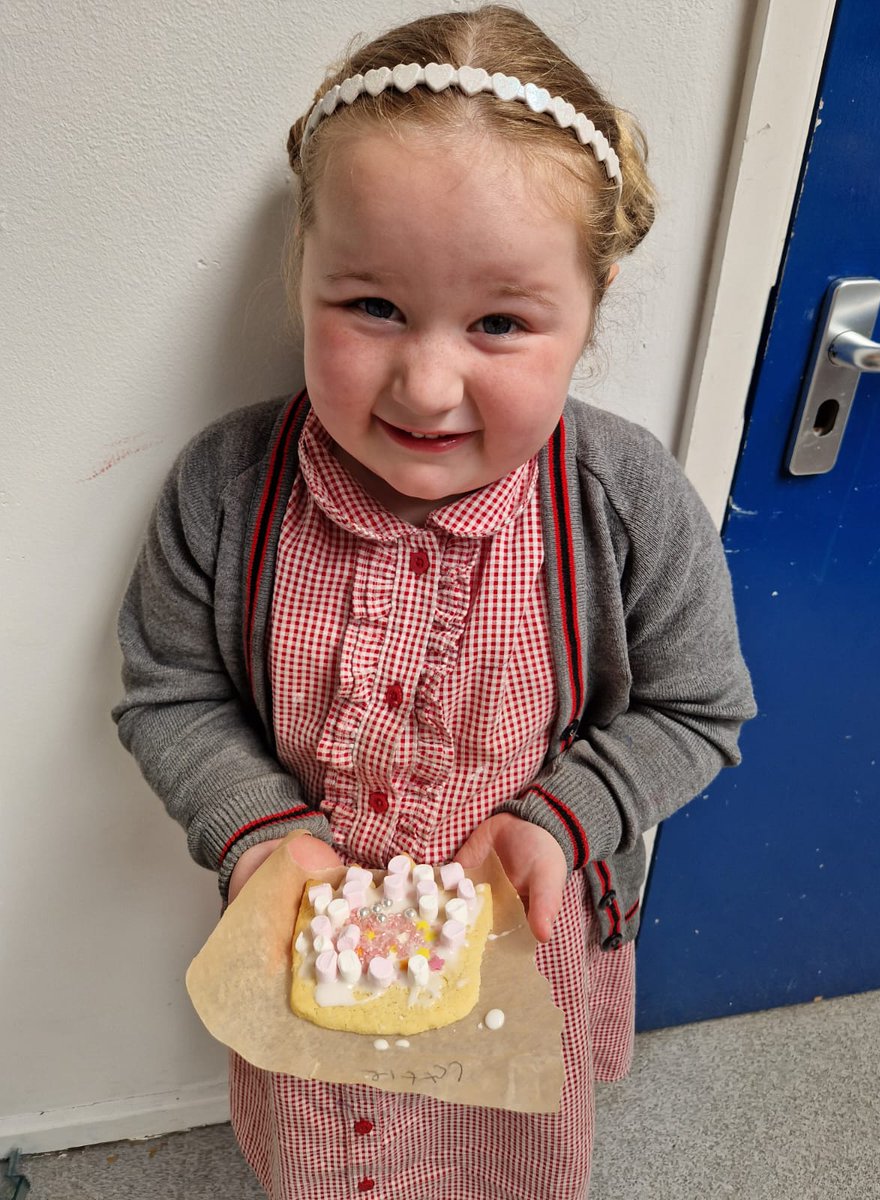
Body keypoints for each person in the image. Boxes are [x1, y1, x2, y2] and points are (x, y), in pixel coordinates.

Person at [114, 5, 755, 1197]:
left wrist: (562, 817)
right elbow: (170, 693)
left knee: (506, 1161)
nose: (425, 382)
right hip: (314, 946)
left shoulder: (624, 501)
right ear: (304, 265)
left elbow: (699, 709)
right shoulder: (225, 486)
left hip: (526, 948)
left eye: (501, 323)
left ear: (594, 302)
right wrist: (259, 832)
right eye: (372, 308)